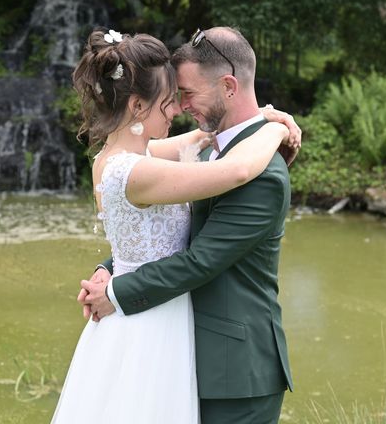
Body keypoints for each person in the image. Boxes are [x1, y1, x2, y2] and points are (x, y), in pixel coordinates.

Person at [51, 28, 299, 424]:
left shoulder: (260, 172)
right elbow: (229, 173)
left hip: (235, 369)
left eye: (186, 95)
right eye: (171, 99)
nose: (180, 108)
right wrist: (276, 126)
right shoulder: (141, 165)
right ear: (137, 106)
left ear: (228, 86)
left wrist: (114, 282)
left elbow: (195, 255)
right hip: (161, 338)